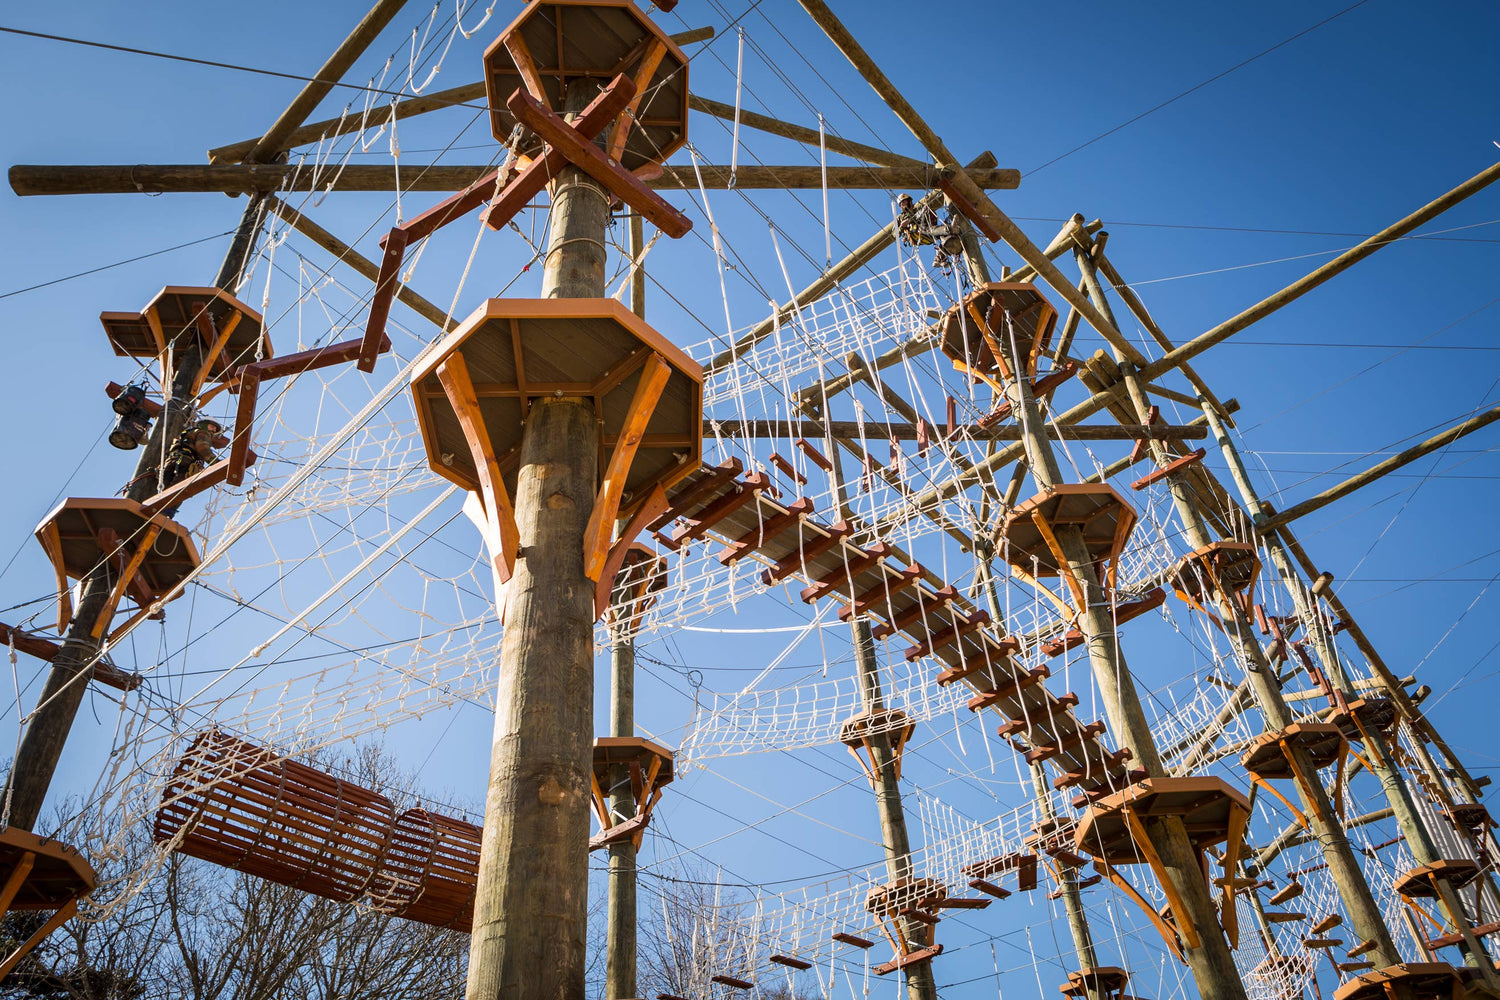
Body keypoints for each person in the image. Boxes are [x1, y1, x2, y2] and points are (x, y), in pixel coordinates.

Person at [160, 418, 223, 517]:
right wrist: (217, 464)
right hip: (186, 462)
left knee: (163, 488)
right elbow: (203, 448)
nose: (213, 431)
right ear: (204, 425)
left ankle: (158, 508)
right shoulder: (203, 433)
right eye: (212, 427)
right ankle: (166, 513)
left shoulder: (187, 433)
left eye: (215, 429)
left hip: (171, 461)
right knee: (179, 489)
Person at [896, 193, 964, 271]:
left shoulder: (918, 209)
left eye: (904, 202)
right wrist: (902, 226)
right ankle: (950, 229)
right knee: (925, 229)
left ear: (909, 201)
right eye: (901, 204)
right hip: (916, 234)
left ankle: (939, 259)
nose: (902, 205)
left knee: (945, 237)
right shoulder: (900, 218)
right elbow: (894, 234)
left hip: (927, 232)